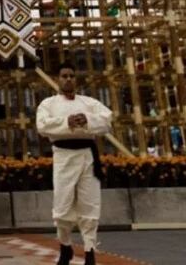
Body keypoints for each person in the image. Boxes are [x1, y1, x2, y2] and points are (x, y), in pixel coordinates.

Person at [36, 64, 113, 265]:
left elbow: (107, 120)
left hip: (88, 156)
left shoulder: (89, 102)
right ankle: (65, 245)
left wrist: (86, 120)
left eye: (71, 76)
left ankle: (89, 251)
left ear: (75, 79)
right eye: (64, 76)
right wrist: (67, 122)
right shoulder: (48, 104)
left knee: (90, 204)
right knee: (62, 207)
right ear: (58, 79)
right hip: (63, 156)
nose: (68, 79)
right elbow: (42, 125)